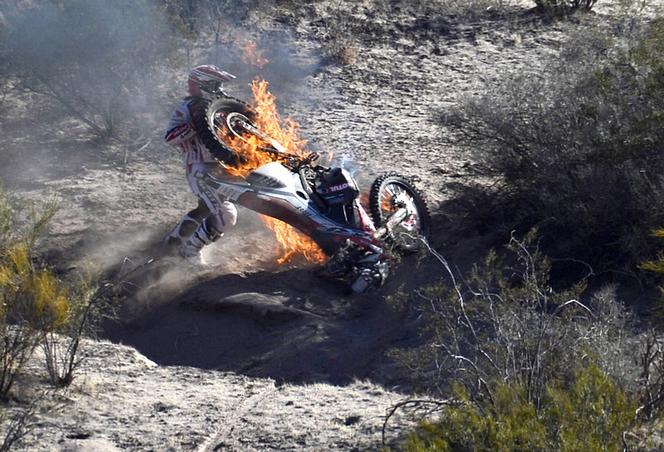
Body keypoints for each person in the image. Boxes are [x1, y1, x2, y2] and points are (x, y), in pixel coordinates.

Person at [164, 64, 241, 265]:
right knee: (226, 214)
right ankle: (190, 251)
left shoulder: (220, 107)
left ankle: (172, 243)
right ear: (203, 84)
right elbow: (170, 138)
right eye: (215, 84)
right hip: (200, 168)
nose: (220, 88)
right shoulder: (186, 108)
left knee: (204, 210)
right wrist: (195, 124)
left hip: (222, 167)